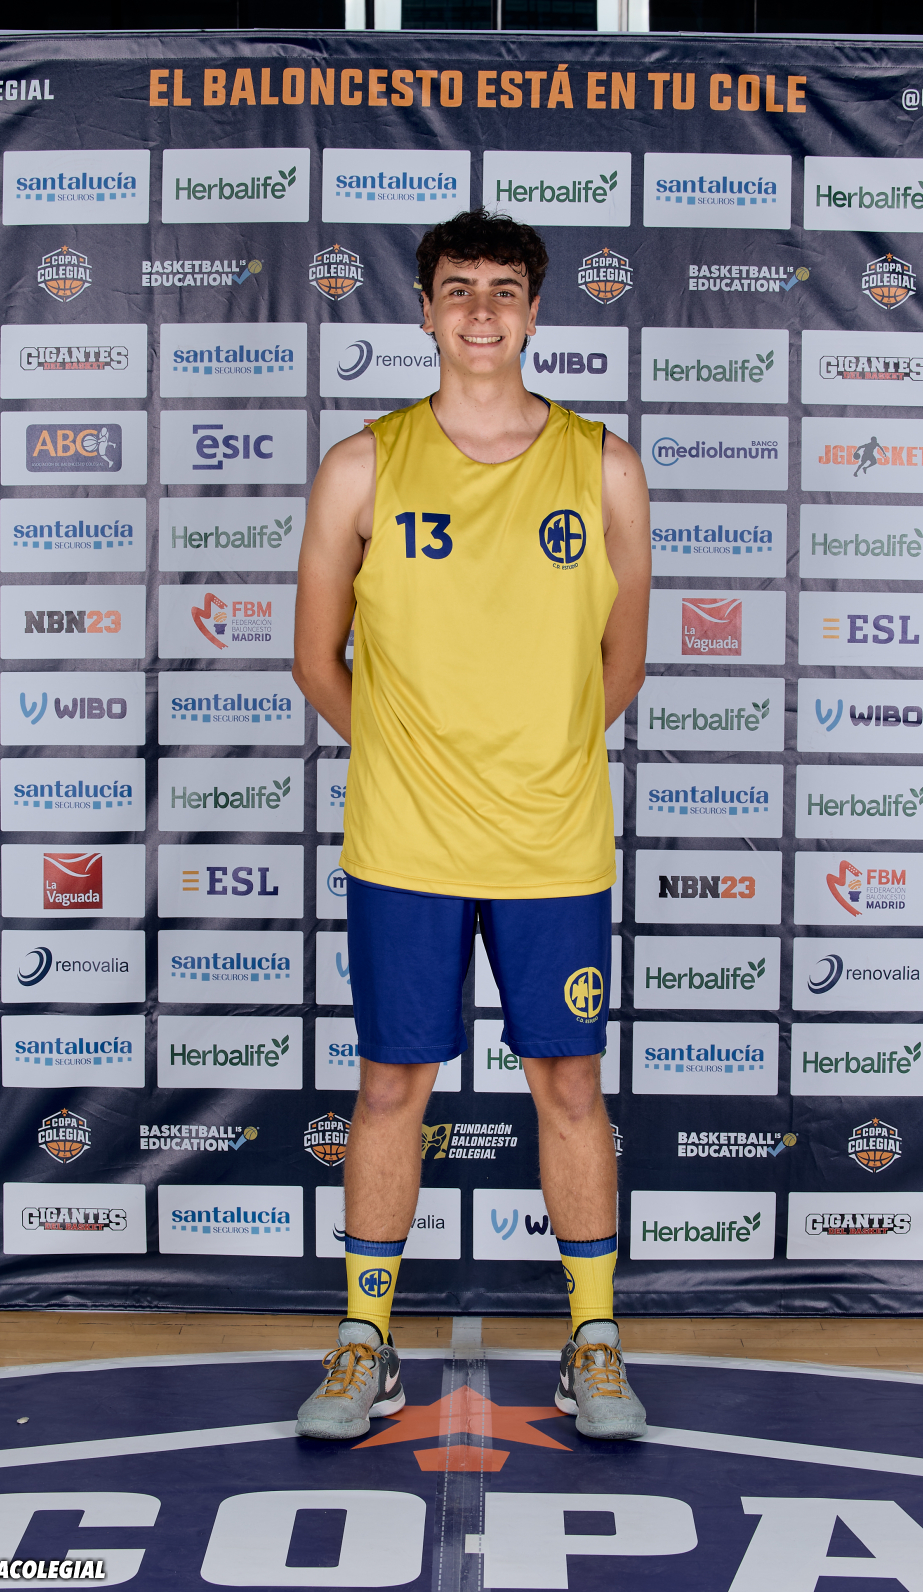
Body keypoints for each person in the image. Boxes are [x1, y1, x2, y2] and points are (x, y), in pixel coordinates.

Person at [292, 207, 651, 1442]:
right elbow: (315, 658)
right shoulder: (363, 464)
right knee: (391, 1081)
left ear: (535, 310)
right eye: (459, 288)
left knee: (569, 1082)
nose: (482, 310)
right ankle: (364, 1342)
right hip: (405, 841)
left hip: (552, 840)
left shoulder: (602, 466)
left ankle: (592, 1342)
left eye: (505, 288)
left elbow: (620, 663)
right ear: (425, 308)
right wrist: (414, 759)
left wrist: (533, 759)